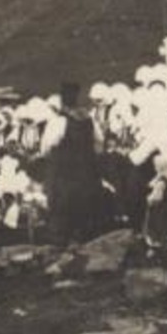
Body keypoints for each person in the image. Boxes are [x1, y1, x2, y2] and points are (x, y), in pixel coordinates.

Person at [43, 81, 104, 244]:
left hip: (65, 177)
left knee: (62, 217)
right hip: (87, 176)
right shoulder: (89, 120)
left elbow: (46, 148)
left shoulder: (58, 122)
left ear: (62, 101)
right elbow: (99, 144)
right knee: (85, 217)